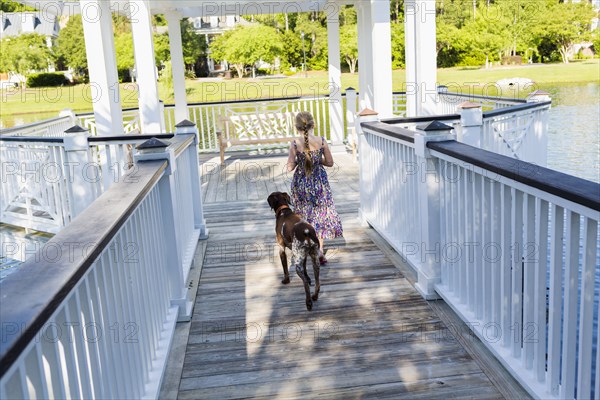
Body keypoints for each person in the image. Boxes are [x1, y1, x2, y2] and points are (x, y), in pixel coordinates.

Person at [286, 111, 343, 264]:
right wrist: (317, 161)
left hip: (301, 184)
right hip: (319, 183)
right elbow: (330, 163)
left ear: (296, 126)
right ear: (313, 124)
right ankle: (320, 252)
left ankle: (304, 248)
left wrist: (300, 161)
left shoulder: (294, 144)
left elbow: (289, 167)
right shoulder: (322, 140)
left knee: (304, 216)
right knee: (320, 215)